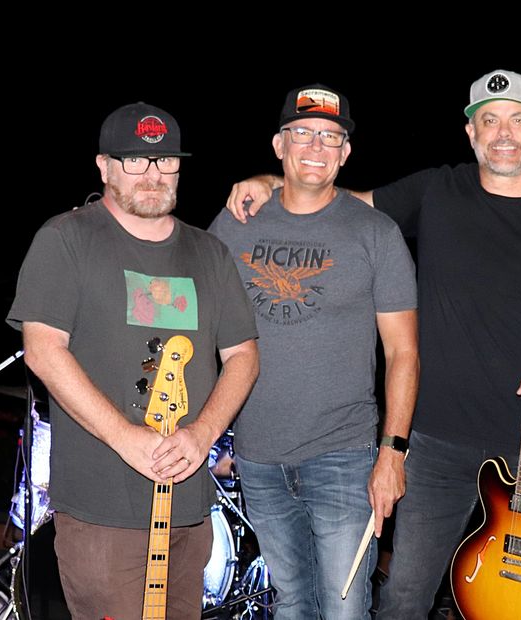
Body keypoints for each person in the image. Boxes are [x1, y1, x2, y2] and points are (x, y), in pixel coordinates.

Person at [226, 69, 521, 618]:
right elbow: (332, 197)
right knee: (404, 597)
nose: (503, 133)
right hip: (435, 443)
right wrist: (268, 182)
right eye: (489, 120)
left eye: (517, 120)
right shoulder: (437, 189)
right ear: (471, 133)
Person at [7, 102, 259, 619]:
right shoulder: (66, 240)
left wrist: (202, 434)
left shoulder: (209, 253)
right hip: (104, 512)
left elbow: (244, 356)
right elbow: (43, 349)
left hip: (190, 508)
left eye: (165, 161)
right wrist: (128, 438)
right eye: (134, 161)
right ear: (104, 166)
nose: (152, 174)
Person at [208, 84, 419, 619]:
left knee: (345, 608)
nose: (316, 146)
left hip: (344, 457)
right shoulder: (235, 223)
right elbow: (201, 329)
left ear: (346, 153)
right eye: (302, 133)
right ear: (279, 144)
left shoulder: (376, 233)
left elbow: (403, 354)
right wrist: (216, 430)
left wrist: (391, 453)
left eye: (331, 136)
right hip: (257, 455)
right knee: (292, 603)